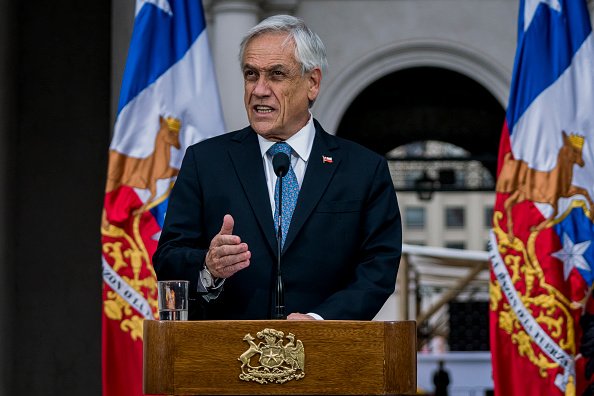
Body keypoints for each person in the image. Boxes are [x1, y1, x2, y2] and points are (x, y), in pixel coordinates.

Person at [153, 14, 402, 320]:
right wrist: (208, 265)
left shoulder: (363, 169)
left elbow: (378, 268)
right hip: (228, 356)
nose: (259, 89)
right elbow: (168, 257)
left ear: (312, 83)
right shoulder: (205, 162)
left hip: (326, 354)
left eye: (276, 75)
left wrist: (318, 321)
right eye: (250, 74)